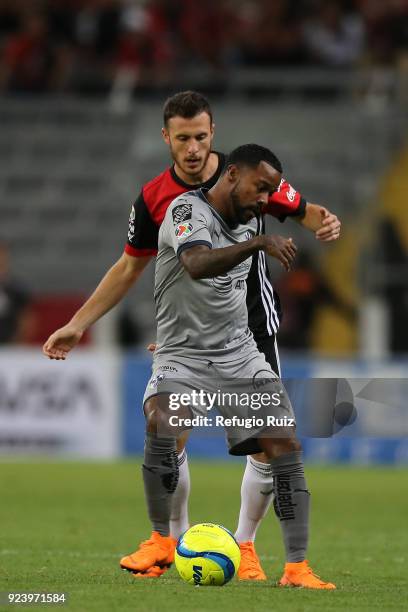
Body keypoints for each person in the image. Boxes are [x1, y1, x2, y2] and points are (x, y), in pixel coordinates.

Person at [43, 91, 341, 580]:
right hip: (188, 336)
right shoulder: (159, 199)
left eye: (201, 136)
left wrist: (322, 222)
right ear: (167, 139)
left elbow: (304, 209)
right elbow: (130, 268)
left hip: (251, 329)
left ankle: (246, 546)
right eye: (182, 138)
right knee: (168, 428)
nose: (193, 147)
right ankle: (172, 540)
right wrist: (80, 323)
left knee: (272, 447)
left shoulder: (251, 173)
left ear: (213, 135)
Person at [126, 143, 335, 589]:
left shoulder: (250, 216)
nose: (264, 199)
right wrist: (260, 242)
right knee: (164, 420)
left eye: (271, 192)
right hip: (182, 355)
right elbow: (197, 264)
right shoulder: (186, 211)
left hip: (238, 354)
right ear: (233, 175)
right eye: (260, 188)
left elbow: (295, 211)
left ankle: (296, 568)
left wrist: (308, 219)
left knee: (285, 443)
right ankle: (163, 540)